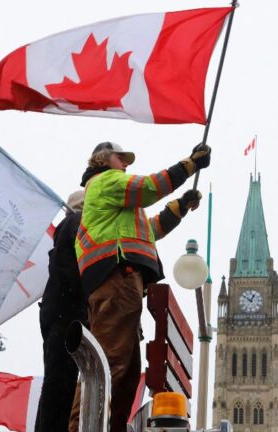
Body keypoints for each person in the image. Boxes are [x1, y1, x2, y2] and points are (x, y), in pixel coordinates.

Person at [68, 142, 210, 432]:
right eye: (122, 158)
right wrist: (189, 165)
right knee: (108, 363)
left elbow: (150, 231)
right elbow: (148, 188)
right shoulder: (106, 181)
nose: (126, 164)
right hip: (116, 276)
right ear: (103, 160)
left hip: (119, 280)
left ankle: (111, 427)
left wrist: (180, 207)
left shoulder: (116, 209)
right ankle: (80, 428)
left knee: (127, 371)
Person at [35, 190, 86, 432]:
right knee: (61, 385)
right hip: (68, 314)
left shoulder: (67, 226)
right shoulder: (77, 223)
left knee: (58, 386)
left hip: (59, 313)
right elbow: (76, 273)